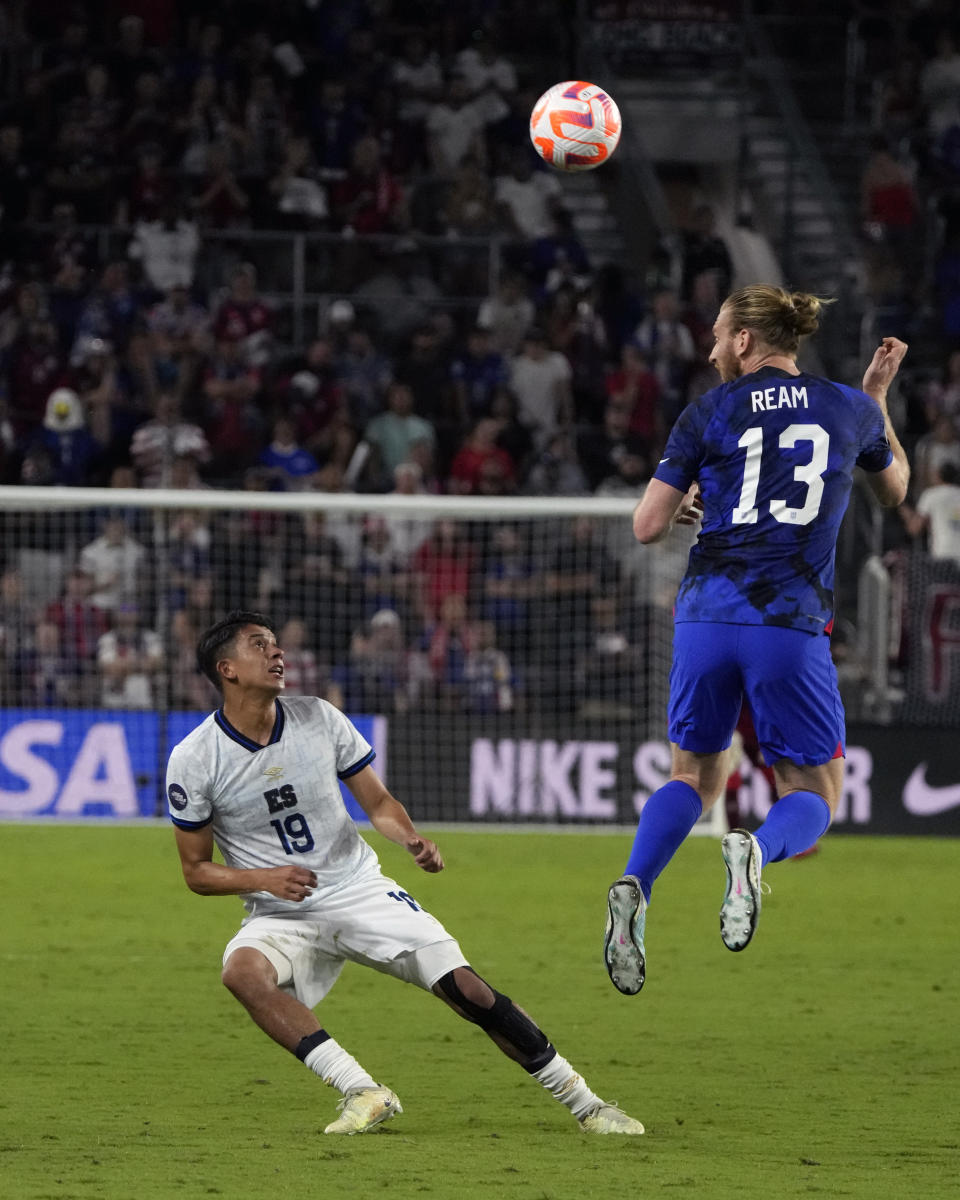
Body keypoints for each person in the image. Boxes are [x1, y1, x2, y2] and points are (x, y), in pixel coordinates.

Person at [167, 611, 644, 1136]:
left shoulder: (319, 717)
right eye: (260, 645)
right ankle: (363, 1090)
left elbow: (378, 802)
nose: (277, 653)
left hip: (357, 887)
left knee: (470, 992)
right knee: (241, 972)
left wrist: (410, 838)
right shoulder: (194, 758)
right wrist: (264, 880)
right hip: (281, 908)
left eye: (276, 643)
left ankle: (588, 1105)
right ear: (227, 669)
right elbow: (196, 871)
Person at [602, 285, 910, 996]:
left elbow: (646, 527)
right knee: (813, 792)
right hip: (789, 625)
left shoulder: (706, 412)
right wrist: (878, 399)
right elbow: (895, 491)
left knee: (693, 776)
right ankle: (759, 851)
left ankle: (635, 888)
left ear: (745, 340)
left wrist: (685, 506)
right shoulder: (849, 408)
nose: (710, 349)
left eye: (716, 335)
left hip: (705, 620)